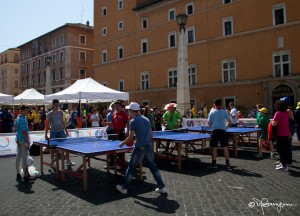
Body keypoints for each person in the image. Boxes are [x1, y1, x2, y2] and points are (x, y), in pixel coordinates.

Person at [116, 102, 166, 195]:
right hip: (148, 145)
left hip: (140, 147)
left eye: (129, 110)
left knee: (131, 168)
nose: (128, 112)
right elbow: (151, 134)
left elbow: (130, 138)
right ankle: (162, 186)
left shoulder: (133, 121)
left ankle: (124, 188)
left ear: (132, 111)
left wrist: (121, 144)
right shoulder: (146, 119)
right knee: (153, 167)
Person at [45, 99, 74, 166]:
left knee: (66, 146)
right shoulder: (50, 113)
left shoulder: (61, 112)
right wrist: (46, 134)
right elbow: (47, 124)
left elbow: (62, 122)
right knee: (52, 148)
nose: (57, 106)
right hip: (53, 132)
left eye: (58, 105)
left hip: (61, 131)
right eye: (55, 105)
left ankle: (68, 160)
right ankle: (52, 162)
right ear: (53, 105)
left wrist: (66, 131)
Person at [207, 98, 232, 169]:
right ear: (221, 104)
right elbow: (230, 121)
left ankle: (214, 164)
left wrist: (212, 126)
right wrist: (226, 127)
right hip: (223, 131)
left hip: (215, 131)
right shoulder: (224, 112)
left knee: (214, 147)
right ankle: (227, 163)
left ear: (214, 104)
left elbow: (209, 123)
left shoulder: (211, 112)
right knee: (225, 147)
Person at [273, 100, 290, 172]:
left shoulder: (278, 113)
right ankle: (282, 163)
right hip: (286, 133)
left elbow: (274, 124)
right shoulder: (286, 113)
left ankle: (284, 166)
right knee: (284, 149)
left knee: (280, 150)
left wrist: (272, 122)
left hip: (280, 134)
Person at [15, 105, 31, 181]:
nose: (28, 112)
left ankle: (18, 172)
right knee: (25, 157)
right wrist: (27, 142)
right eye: (26, 111)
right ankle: (25, 173)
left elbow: (17, 129)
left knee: (19, 156)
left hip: (18, 139)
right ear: (22, 110)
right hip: (23, 140)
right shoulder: (23, 120)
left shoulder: (18, 118)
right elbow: (24, 132)